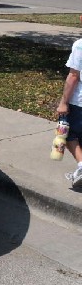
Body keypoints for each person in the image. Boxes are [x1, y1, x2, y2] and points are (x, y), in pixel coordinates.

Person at [56, 39, 82, 188]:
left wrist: (63, 102)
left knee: (68, 134)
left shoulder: (80, 45)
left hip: (79, 103)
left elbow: (73, 76)